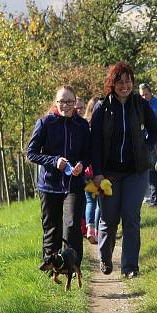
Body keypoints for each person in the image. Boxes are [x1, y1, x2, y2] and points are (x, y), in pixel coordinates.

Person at [91, 62, 157, 278]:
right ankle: (105, 256)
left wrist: (144, 148)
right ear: (112, 84)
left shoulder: (140, 104)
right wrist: (98, 172)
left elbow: (155, 131)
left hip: (136, 172)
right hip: (108, 174)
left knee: (131, 217)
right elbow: (94, 144)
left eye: (128, 81)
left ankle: (130, 267)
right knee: (109, 219)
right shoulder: (102, 108)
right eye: (120, 82)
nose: (125, 86)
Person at [27, 85, 91, 271]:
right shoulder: (45, 123)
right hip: (49, 185)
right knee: (52, 227)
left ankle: (73, 266)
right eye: (62, 101)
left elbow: (87, 154)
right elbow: (31, 154)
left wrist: (81, 165)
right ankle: (51, 265)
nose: (66, 105)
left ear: (75, 103)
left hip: (73, 184)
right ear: (56, 102)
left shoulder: (81, 125)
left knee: (71, 225)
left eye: (70, 101)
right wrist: (54, 161)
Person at [83, 96, 103, 244]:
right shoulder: (101, 125)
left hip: (86, 170)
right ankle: (97, 229)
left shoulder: (83, 124)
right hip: (99, 169)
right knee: (100, 202)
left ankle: (90, 229)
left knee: (90, 201)